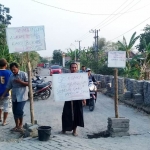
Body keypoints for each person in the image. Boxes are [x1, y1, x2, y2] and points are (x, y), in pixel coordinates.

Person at [0, 62, 28, 132]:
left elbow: (28, 83)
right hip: (15, 96)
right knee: (15, 111)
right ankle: (16, 126)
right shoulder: (11, 76)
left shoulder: (23, 74)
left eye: (14, 69)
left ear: (18, 68)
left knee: (19, 110)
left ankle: (21, 124)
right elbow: (8, 87)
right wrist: (3, 95)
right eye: (12, 70)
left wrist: (20, 82)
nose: (13, 71)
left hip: (22, 96)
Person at [61, 62, 86, 136]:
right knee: (66, 114)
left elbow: (83, 88)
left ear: (77, 68)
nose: (74, 69)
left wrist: (84, 98)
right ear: (70, 68)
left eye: (75, 67)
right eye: (72, 67)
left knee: (77, 114)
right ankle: (64, 129)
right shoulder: (66, 77)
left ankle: (74, 130)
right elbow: (62, 87)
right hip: (68, 98)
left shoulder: (80, 77)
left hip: (78, 98)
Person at [0, 59, 12, 126]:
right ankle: (4, 121)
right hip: (6, 93)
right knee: (6, 107)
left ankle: (0, 118)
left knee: (0, 106)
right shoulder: (9, 72)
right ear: (5, 65)